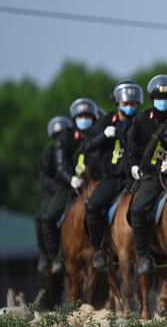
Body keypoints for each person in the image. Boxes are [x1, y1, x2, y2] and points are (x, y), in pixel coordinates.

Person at [128, 74, 167, 275]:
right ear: (151, 99)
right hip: (151, 176)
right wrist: (133, 165)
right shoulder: (140, 120)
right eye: (158, 98)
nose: (163, 101)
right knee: (137, 209)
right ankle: (144, 254)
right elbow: (132, 145)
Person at [83, 80, 143, 271]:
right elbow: (87, 146)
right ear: (117, 103)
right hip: (111, 177)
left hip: (134, 177)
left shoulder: (142, 121)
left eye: (133, 104)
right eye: (125, 104)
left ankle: (150, 249)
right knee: (92, 207)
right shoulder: (105, 122)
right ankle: (100, 249)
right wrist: (103, 136)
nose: (129, 107)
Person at [42, 98, 98, 274]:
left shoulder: (98, 135)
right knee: (49, 217)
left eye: (87, 116)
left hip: (93, 184)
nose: (84, 119)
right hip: (68, 187)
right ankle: (56, 257)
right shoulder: (65, 139)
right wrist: (70, 179)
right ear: (74, 118)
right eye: (81, 116)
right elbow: (61, 165)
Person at [35, 115, 73, 274]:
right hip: (57, 191)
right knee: (40, 216)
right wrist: (56, 187)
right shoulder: (49, 153)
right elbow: (44, 176)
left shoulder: (73, 149)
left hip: (74, 188)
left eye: (63, 134)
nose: (60, 138)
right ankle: (46, 254)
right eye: (57, 135)